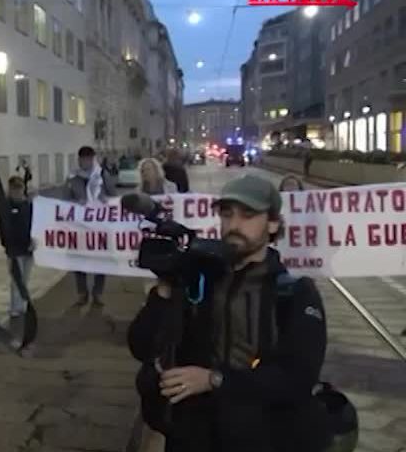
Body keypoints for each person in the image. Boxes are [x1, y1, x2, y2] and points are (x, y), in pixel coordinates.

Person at [128, 175, 329, 452]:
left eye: (248, 215)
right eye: (227, 214)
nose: (234, 225)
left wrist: (214, 380)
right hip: (191, 437)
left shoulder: (294, 293)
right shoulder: (199, 279)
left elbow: (298, 378)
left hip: (262, 438)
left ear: (272, 223)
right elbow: (141, 346)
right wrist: (165, 288)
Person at [65, 146, 107, 307]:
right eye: (83, 159)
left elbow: (112, 194)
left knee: (101, 261)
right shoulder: (72, 177)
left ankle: (98, 293)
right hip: (79, 227)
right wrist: (76, 203)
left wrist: (104, 199)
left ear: (93, 159)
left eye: (89, 159)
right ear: (79, 160)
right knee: (78, 260)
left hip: (99, 226)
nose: (86, 162)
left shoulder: (101, 175)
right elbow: (64, 201)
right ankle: (82, 293)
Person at [0, 176, 34, 318]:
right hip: (14, 250)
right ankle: (15, 307)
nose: (18, 192)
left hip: (28, 249)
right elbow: (3, 229)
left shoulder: (29, 205)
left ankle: (23, 305)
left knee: (25, 279)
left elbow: (35, 224)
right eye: (15, 189)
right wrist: (7, 245)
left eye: (20, 189)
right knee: (16, 280)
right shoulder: (6, 207)